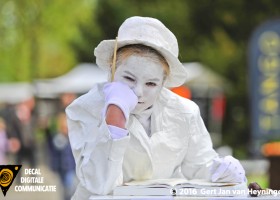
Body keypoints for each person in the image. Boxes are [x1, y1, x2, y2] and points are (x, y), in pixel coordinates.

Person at [66, 16, 246, 199]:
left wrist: (222, 170)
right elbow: (99, 184)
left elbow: (200, 167)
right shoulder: (85, 108)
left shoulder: (185, 112)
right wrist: (115, 119)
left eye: (151, 84)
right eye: (128, 78)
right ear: (112, 68)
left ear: (164, 82)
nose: (138, 92)